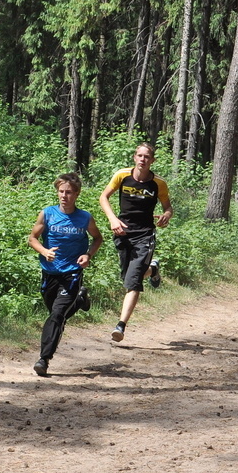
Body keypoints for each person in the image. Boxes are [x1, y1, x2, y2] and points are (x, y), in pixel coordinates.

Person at [28, 173, 103, 376]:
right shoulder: (47, 214)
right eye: (61, 191)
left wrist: (88, 255)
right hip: (49, 273)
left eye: (69, 192)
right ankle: (79, 300)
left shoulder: (85, 217)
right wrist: (44, 251)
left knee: (57, 315)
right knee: (54, 313)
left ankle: (43, 359)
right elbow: (32, 238)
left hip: (72, 273)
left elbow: (97, 238)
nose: (64, 196)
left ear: (76, 194)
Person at [99, 143, 173, 342]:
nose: (143, 159)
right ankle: (153, 269)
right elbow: (104, 197)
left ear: (152, 160)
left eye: (147, 156)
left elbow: (167, 207)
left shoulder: (158, 183)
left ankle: (120, 326)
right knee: (128, 277)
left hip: (145, 235)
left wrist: (166, 215)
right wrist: (113, 219)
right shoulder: (122, 175)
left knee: (133, 281)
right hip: (123, 232)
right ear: (134, 157)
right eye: (139, 156)